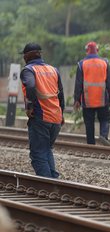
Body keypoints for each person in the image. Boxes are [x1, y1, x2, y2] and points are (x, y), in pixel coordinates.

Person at [20, 43, 65, 178]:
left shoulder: (28, 70)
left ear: (27, 56)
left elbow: (31, 86)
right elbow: (60, 94)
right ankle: (53, 181)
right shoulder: (53, 70)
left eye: (23, 55)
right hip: (56, 118)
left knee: (38, 154)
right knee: (46, 150)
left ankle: (47, 186)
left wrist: (30, 107)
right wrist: (61, 113)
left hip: (41, 117)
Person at [74, 41, 110, 146]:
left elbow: (78, 84)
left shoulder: (81, 64)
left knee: (89, 122)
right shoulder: (104, 63)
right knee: (105, 119)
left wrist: (77, 100)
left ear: (87, 51)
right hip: (102, 99)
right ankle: (103, 135)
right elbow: (109, 82)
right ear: (97, 50)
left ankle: (91, 144)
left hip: (87, 100)